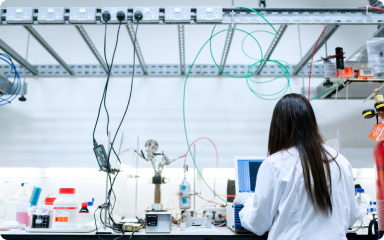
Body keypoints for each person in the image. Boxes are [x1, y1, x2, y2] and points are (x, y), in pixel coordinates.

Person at [236, 93, 360, 240]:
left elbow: (258, 224)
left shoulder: (275, 164)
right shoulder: (340, 160)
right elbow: (352, 217)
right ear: (312, 122)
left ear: (277, 126)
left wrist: (247, 202)